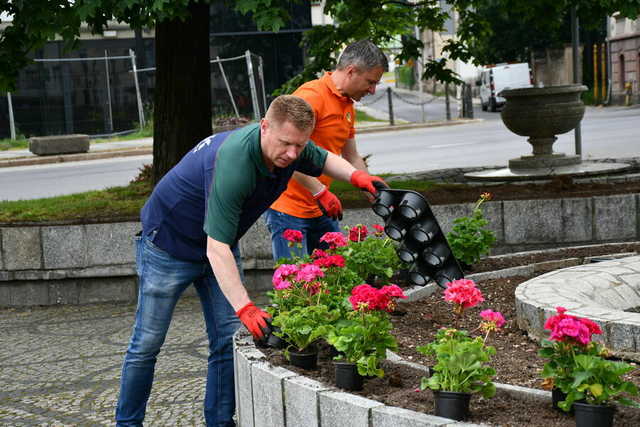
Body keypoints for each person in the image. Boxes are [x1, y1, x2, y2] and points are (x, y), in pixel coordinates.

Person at [115, 95, 386, 427]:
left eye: (299, 146)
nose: (292, 154)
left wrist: (358, 178)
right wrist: (245, 306)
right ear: (264, 127)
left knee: (226, 340)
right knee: (147, 343)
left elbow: (325, 159)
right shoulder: (235, 164)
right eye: (286, 144)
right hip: (168, 246)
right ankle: (127, 424)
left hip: (219, 244)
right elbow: (216, 249)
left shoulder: (290, 147)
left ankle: (219, 421)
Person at [266, 39, 388, 260]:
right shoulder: (311, 97)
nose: (372, 90)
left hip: (323, 207)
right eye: (370, 82)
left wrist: (370, 187)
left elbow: (351, 156)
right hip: (288, 209)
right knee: (294, 286)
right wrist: (319, 191)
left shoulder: (347, 104)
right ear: (351, 71)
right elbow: (286, 155)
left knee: (336, 279)